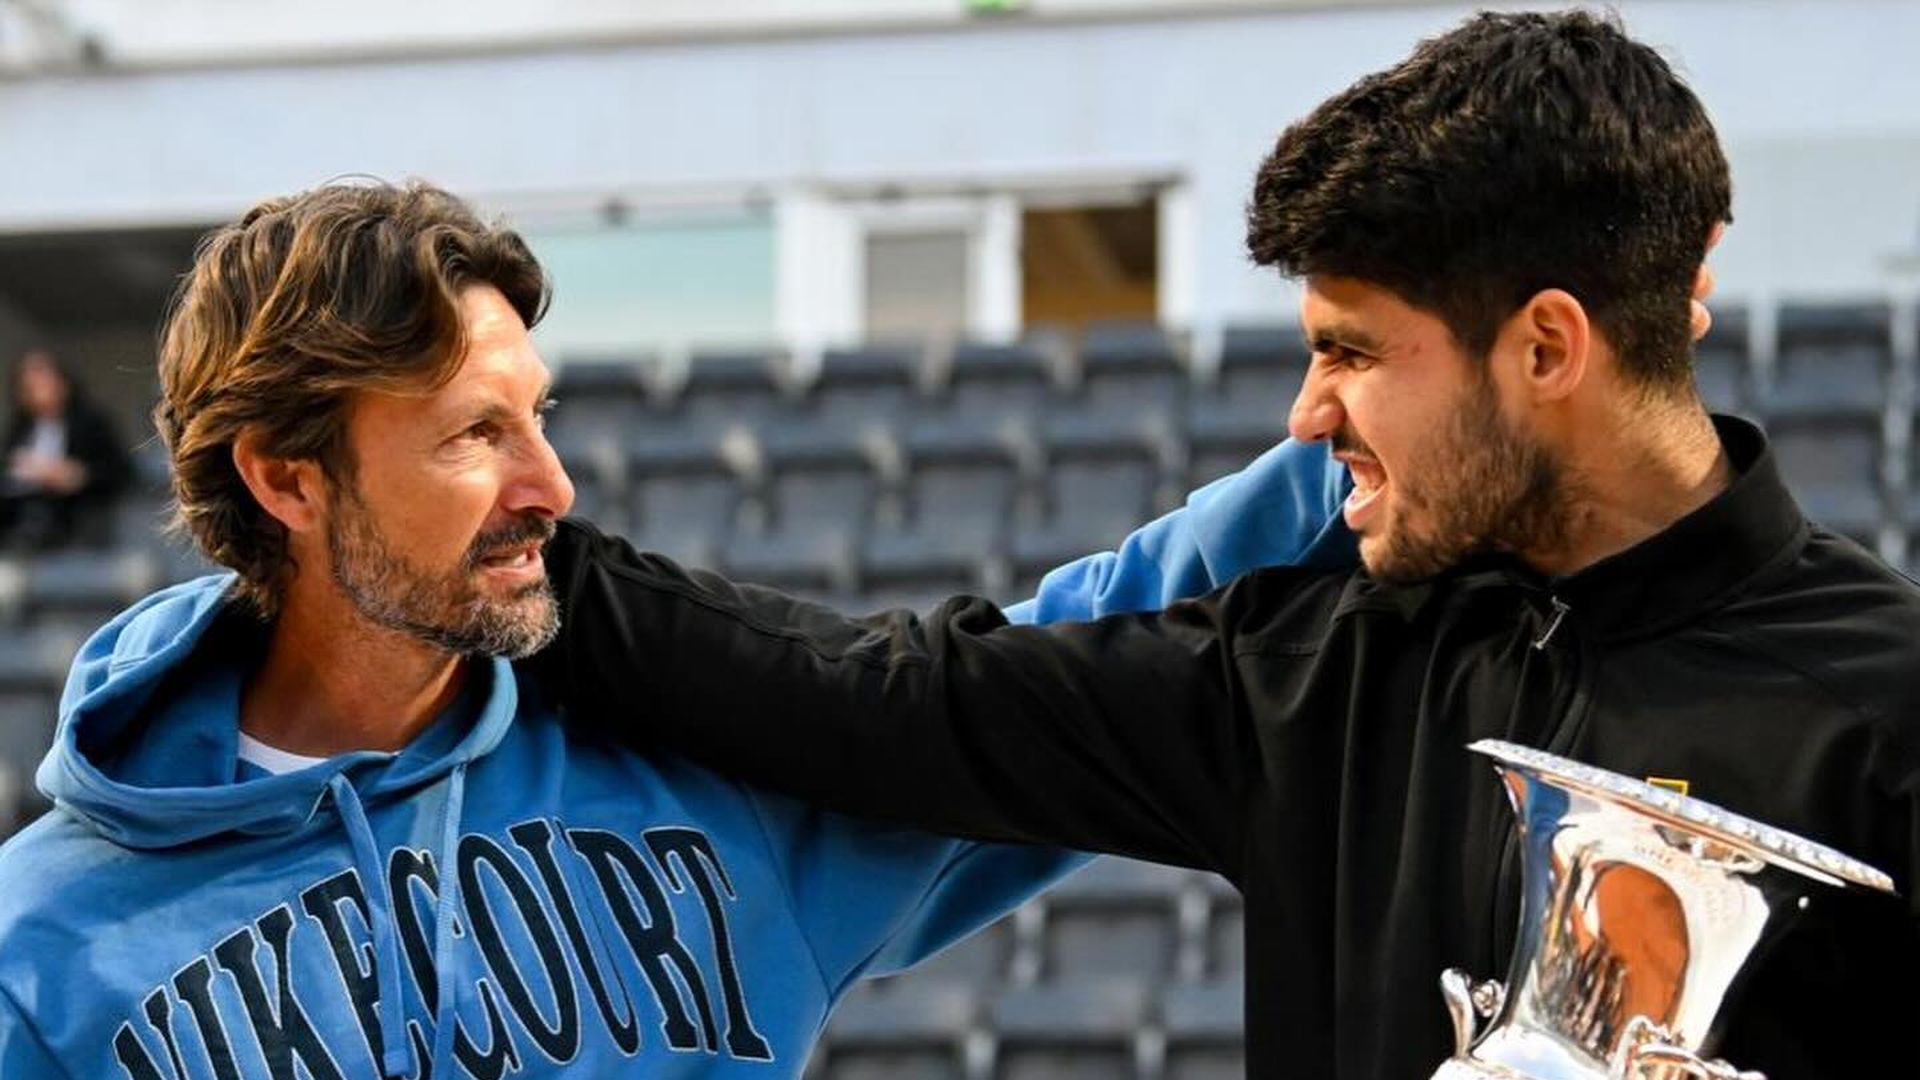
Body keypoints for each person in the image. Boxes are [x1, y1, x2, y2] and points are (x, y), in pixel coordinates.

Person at [530, 11, 1920, 1080]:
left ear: (1546, 345)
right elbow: (889, 697)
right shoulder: (1319, 675)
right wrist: (521, 558)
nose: (1312, 414)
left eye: (1353, 354)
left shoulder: (1890, 706)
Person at [0, 180, 1348, 1079]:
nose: (552, 487)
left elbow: (1087, 643)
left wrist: (1364, 436)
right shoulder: (41, 950)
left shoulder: (722, 790)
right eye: (477, 433)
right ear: (285, 479)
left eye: (542, 416)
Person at [0, 347, 132, 550]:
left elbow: (120, 472)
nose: (39, 389)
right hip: (24, 518)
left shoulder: (89, 424)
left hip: (79, 520)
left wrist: (77, 476)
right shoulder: (20, 430)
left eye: (44, 381)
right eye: (30, 385)